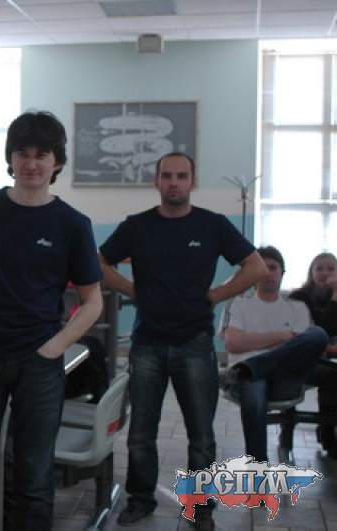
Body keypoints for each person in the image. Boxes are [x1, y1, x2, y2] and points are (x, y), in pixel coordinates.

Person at [98, 152, 266, 530]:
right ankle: (141, 499)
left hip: (195, 343)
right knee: (140, 433)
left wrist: (215, 295)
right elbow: (98, 262)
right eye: (167, 176)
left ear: (193, 181)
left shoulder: (212, 225)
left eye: (181, 176)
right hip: (147, 344)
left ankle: (201, 507)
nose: (173, 182)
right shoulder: (137, 227)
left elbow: (255, 266)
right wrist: (132, 290)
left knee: (201, 436)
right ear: (156, 181)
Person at [0, 111, 103, 530]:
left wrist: (55, 346)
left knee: (34, 478)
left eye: (41, 155)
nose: (31, 163)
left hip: (39, 363)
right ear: (10, 157)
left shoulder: (72, 224)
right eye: (22, 153)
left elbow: (92, 302)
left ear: (57, 162)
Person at [219, 246, 327, 462]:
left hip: (284, 378)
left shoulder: (297, 307)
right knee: (253, 384)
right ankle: (258, 467)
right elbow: (234, 343)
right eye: (262, 268)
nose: (267, 273)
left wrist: (254, 343)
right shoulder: (238, 303)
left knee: (317, 334)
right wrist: (285, 336)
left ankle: (250, 367)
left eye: (273, 267)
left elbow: (305, 345)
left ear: (282, 272)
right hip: (247, 381)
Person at [289, 252, 337, 457]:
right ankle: (327, 433)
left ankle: (327, 430)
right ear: (311, 272)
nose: (325, 273)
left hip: (327, 357)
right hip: (300, 358)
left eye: (331, 269)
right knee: (333, 377)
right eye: (320, 268)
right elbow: (323, 331)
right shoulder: (299, 298)